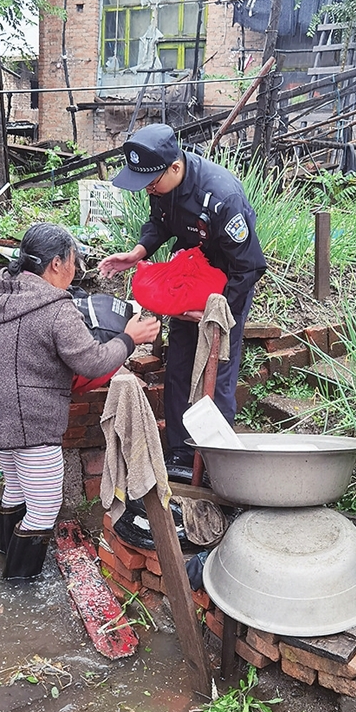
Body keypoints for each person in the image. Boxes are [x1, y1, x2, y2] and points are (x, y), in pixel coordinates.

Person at [0, 222, 160, 580]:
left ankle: (5, 560)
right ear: (56, 263)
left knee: (16, 489)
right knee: (44, 508)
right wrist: (130, 338)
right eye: (72, 260)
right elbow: (93, 362)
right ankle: (19, 587)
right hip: (28, 419)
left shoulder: (0, 286)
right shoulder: (56, 306)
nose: (74, 269)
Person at [98, 124, 266, 469]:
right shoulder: (162, 184)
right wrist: (138, 252)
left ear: (175, 167)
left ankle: (214, 461)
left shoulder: (222, 197)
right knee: (179, 365)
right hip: (191, 276)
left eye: (151, 183)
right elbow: (159, 223)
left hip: (228, 285)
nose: (148, 190)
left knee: (216, 370)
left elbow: (249, 267)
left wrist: (214, 314)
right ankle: (180, 454)